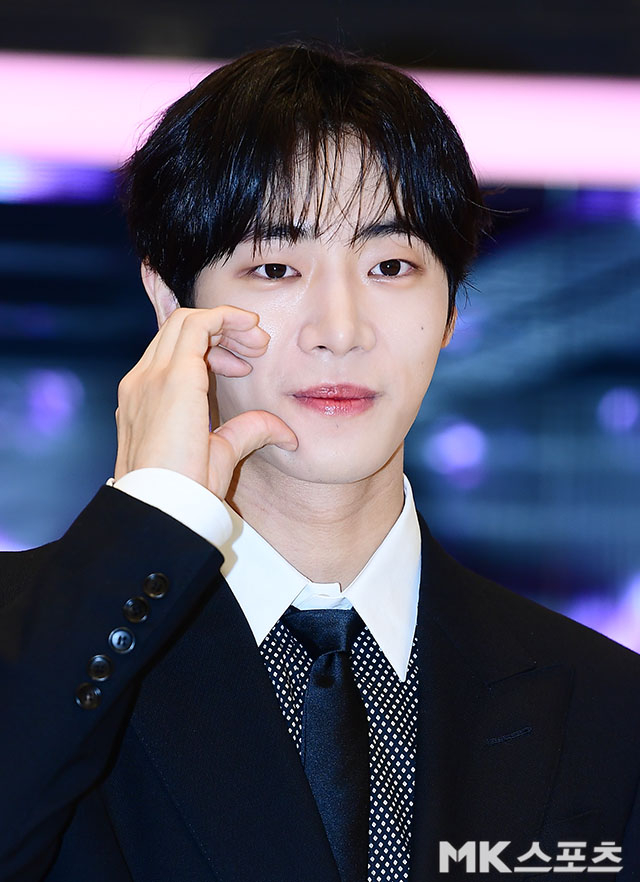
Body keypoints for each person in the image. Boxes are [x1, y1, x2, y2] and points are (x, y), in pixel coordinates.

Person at [1, 43, 639, 882]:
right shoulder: (51, 644)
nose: (340, 329)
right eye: (275, 267)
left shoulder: (608, 706)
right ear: (170, 299)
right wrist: (150, 517)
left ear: (451, 305)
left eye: (391, 266)